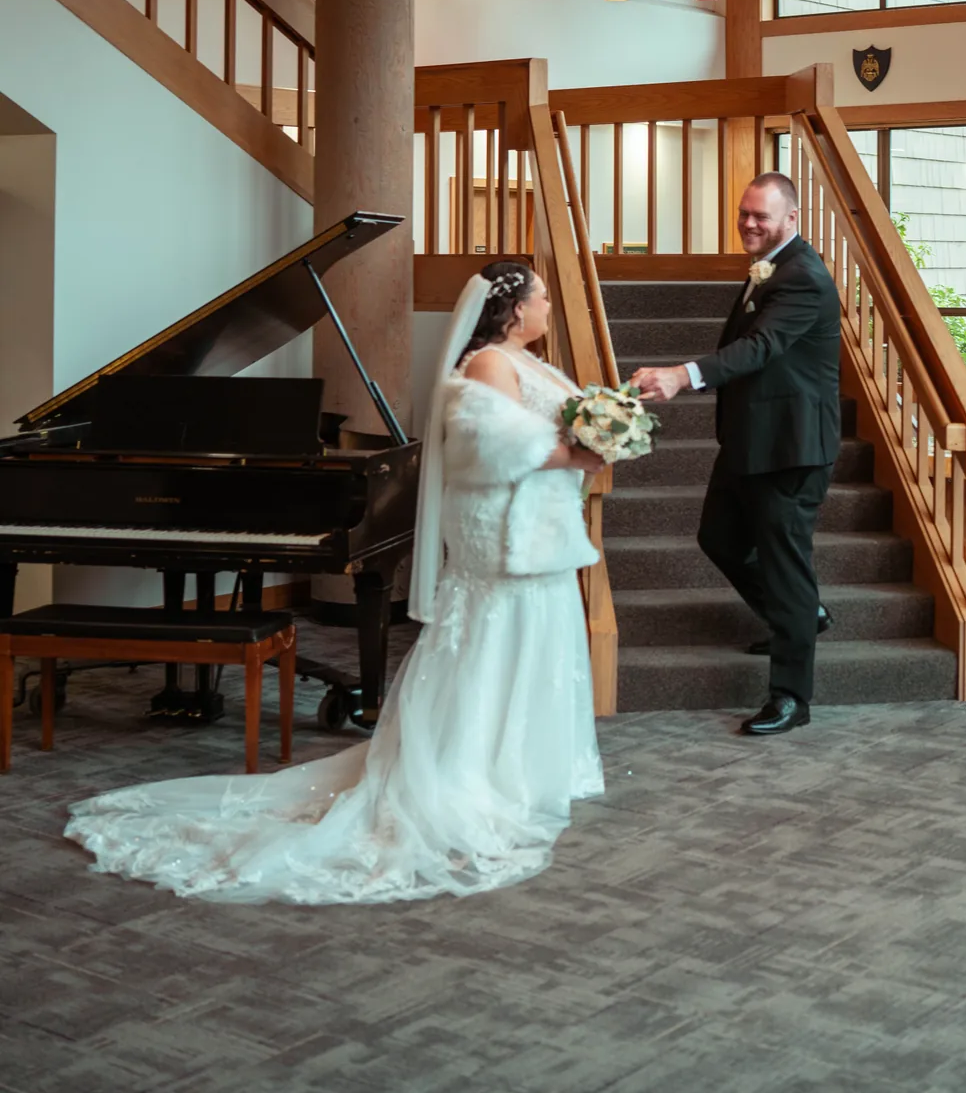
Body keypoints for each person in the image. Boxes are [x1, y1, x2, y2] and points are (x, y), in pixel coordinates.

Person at [65, 263, 607, 902]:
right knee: (493, 645)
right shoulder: (490, 363)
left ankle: (525, 764)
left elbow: (545, 429)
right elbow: (494, 449)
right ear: (514, 309)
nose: (549, 307)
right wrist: (579, 451)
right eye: (543, 298)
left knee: (530, 640)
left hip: (533, 536)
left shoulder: (529, 361)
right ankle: (479, 770)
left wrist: (598, 432)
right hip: (501, 539)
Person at [632, 172, 841, 737]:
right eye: (745, 212)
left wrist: (683, 375)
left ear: (791, 220)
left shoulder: (804, 276)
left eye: (763, 216)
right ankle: (799, 617)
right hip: (750, 439)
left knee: (786, 566)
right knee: (718, 538)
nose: (750, 223)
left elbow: (761, 346)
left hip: (791, 448)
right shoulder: (768, 265)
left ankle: (792, 696)